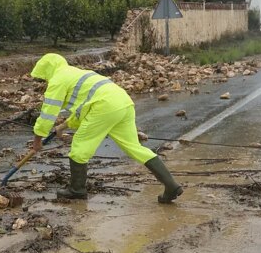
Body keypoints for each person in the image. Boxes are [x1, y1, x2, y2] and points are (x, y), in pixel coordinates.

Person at [29, 53, 183, 203]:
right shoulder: (76, 73)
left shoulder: (57, 80)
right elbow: (82, 108)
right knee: (134, 147)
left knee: (80, 147)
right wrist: (63, 126)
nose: (44, 81)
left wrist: (37, 140)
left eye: (43, 77)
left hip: (104, 106)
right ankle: (171, 185)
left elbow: (47, 114)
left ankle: (76, 190)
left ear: (47, 70)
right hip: (123, 102)